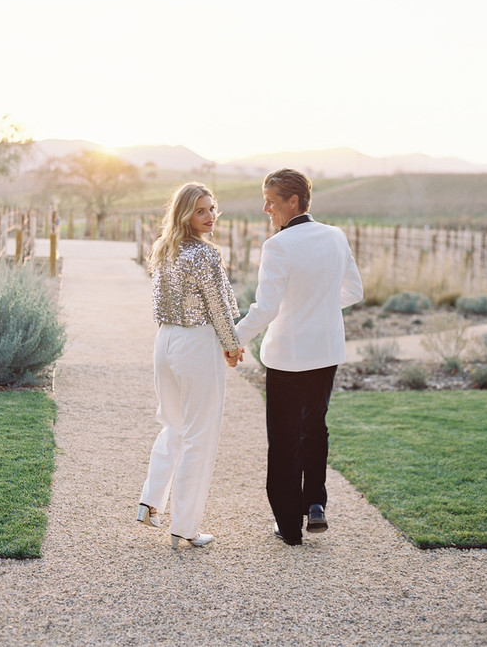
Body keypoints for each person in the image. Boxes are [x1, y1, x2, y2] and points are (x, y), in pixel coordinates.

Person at [229, 168, 363, 546]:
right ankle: (316, 502)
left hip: (288, 357)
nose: (265, 208)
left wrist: (232, 339)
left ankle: (289, 527)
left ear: (294, 201)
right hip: (326, 352)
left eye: (271, 201)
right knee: (315, 426)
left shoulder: (278, 246)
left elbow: (265, 309)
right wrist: (318, 307)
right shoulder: (336, 236)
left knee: (284, 439)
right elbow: (354, 290)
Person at [137, 182, 242, 549]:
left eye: (212, 208)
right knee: (200, 434)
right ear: (184, 214)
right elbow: (219, 305)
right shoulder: (204, 254)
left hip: (165, 342)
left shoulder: (163, 249)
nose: (210, 216)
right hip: (196, 343)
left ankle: (150, 501)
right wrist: (232, 346)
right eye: (201, 210)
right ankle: (185, 526)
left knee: (173, 425)